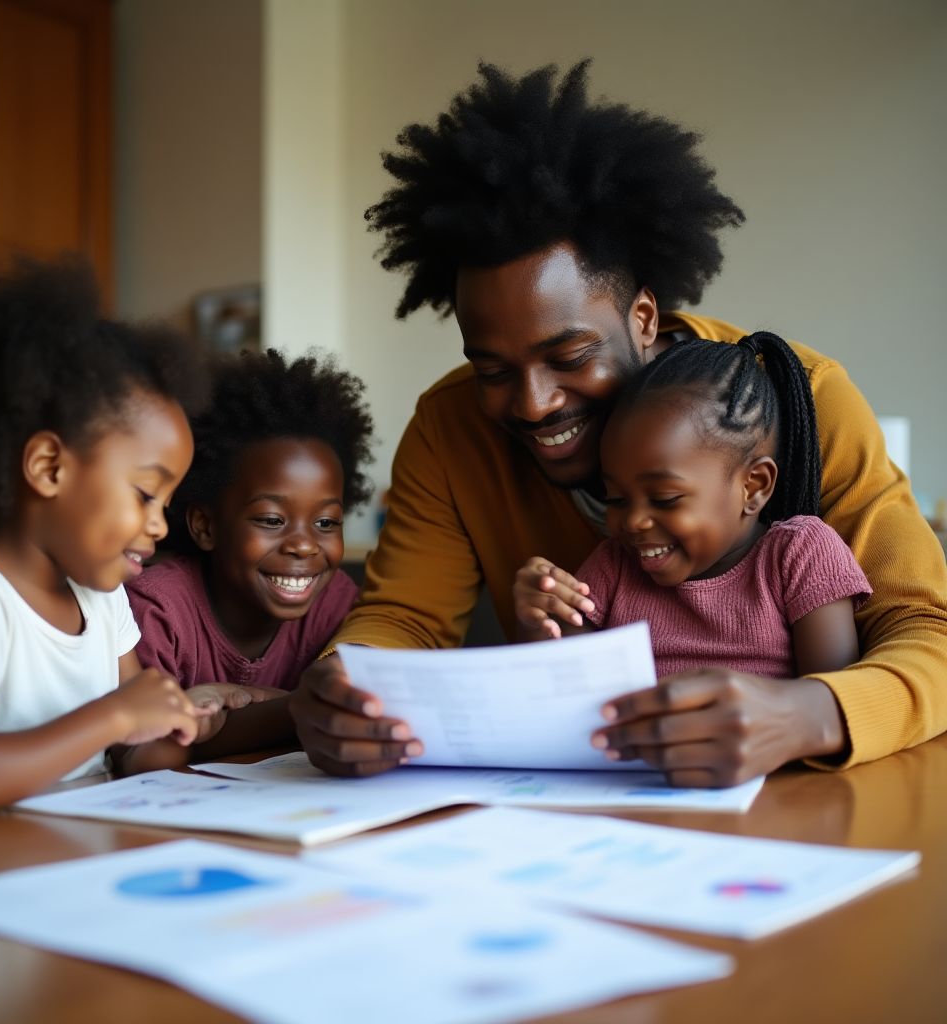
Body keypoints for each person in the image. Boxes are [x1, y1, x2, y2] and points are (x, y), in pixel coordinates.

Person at [289, 60, 947, 787]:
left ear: (642, 317)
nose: (534, 403)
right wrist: (344, 684)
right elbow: (405, 621)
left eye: (568, 355)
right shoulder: (449, 430)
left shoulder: (799, 399)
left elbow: (928, 631)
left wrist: (810, 714)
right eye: (493, 370)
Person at [0, 260, 257, 821]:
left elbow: (130, 751)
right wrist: (117, 716)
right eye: (146, 495)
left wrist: (178, 724)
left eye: (167, 506)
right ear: (49, 467)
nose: (159, 525)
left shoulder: (103, 601)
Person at [513, 333, 872, 755]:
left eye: (665, 499)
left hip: (766, 790)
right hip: (630, 788)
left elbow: (831, 697)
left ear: (753, 487)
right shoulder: (614, 564)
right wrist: (540, 618)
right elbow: (562, 689)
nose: (633, 520)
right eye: (616, 499)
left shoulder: (799, 555)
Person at [125, 348, 373, 758]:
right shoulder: (157, 612)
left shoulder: (336, 604)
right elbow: (150, 749)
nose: (305, 544)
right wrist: (295, 709)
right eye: (272, 520)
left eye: (326, 523)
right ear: (206, 526)